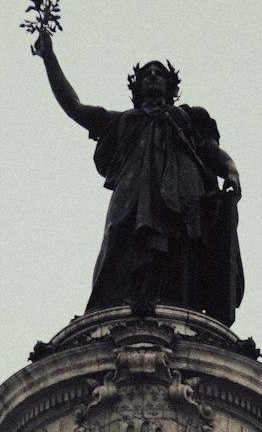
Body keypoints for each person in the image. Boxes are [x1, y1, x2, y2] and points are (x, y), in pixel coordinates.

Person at [33, 27, 244, 324]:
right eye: (147, 74)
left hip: (186, 194)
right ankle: (113, 310)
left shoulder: (188, 117)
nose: (153, 76)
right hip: (132, 197)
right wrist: (49, 57)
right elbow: (74, 107)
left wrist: (232, 172)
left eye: (159, 73)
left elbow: (212, 152)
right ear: (138, 86)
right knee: (121, 240)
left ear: (170, 86)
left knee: (182, 249)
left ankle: (181, 311)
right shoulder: (121, 121)